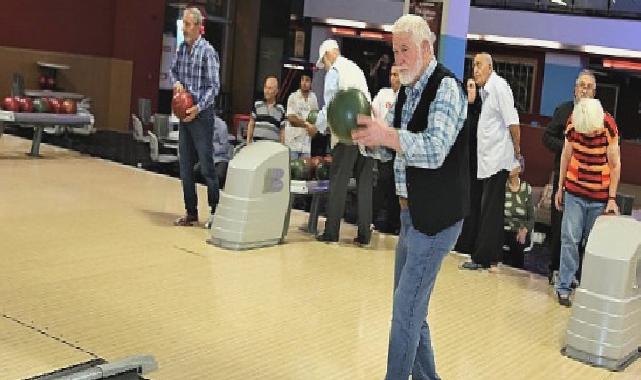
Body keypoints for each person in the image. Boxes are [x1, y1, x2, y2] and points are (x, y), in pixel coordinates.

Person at [354, 14, 468, 380]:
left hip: (436, 219)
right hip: (411, 216)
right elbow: (394, 150)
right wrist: (369, 140)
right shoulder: (407, 90)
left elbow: (434, 150)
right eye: (394, 51)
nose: (398, 58)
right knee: (411, 309)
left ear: (426, 47)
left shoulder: (447, 88)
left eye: (404, 50)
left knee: (405, 311)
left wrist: (386, 135)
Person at [554, 96, 621, 307]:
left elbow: (615, 165)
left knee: (592, 246)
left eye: (591, 132)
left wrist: (611, 199)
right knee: (569, 238)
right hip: (574, 190)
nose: (589, 135)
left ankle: (589, 290)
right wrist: (560, 187)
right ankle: (564, 286)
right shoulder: (573, 123)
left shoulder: (608, 126)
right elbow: (566, 155)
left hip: (599, 195)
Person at [461, 53, 521, 271]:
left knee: (488, 210)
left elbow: (513, 122)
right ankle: (493, 255)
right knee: (492, 211)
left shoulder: (498, 87)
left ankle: (481, 258)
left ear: (489, 67)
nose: (475, 69)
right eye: (473, 65)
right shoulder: (486, 92)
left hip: (498, 161)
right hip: (488, 161)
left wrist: (517, 152)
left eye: (478, 65)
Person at [313, 39, 374, 246]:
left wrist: (317, 126)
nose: (325, 67)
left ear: (329, 55)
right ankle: (365, 235)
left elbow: (331, 106)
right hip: (366, 131)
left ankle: (331, 232)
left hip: (346, 134)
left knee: (338, 182)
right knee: (364, 185)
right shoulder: (355, 67)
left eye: (324, 62)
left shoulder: (335, 71)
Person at [542, 70, 594, 284]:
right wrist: (566, 149)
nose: (584, 89)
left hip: (588, 183)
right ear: (574, 88)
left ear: (594, 92)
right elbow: (547, 137)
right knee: (560, 227)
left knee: (581, 232)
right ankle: (555, 269)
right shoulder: (564, 110)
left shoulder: (599, 116)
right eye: (581, 85)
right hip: (564, 177)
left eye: (588, 86)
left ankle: (575, 275)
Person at [170, 7, 220, 229]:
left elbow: (214, 87)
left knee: (207, 166)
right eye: (183, 24)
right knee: (185, 166)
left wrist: (198, 108)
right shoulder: (182, 49)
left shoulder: (207, 51)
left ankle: (216, 212)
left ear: (198, 27)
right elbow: (173, 72)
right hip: (185, 116)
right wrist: (176, 83)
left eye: (188, 24)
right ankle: (191, 212)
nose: (184, 28)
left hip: (201, 116)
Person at [371, 65, 402, 234]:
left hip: (398, 148)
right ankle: (372, 220)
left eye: (397, 75)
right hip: (382, 149)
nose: (393, 78)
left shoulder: (406, 96)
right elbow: (373, 111)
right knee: (381, 185)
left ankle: (393, 224)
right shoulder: (383, 94)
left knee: (394, 189)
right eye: (392, 74)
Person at [454, 78, 483, 255]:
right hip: (460, 165)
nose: (469, 90)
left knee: (473, 204)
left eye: (472, 87)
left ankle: (468, 243)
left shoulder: (481, 113)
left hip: (476, 166)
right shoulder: (459, 110)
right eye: (467, 87)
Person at [503, 164, 534, 269]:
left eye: (512, 165)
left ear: (520, 168)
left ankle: (516, 275)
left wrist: (525, 230)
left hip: (520, 230)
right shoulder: (502, 186)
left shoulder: (526, 188)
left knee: (517, 241)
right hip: (503, 228)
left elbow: (531, 218)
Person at [285, 70, 319, 160]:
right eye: (302, 80)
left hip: (306, 145)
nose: (304, 83)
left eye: (307, 80)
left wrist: (315, 129)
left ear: (311, 82)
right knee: (292, 172)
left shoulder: (313, 98)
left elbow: (315, 118)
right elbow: (291, 119)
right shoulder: (293, 97)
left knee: (304, 172)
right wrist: (307, 124)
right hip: (292, 144)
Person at [246, 75, 286, 143]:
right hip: (256, 145)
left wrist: (282, 146)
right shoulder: (257, 104)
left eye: (270, 88)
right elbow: (251, 124)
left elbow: (282, 130)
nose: (266, 91)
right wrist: (248, 142)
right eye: (265, 87)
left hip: (272, 148)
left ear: (276, 91)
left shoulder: (281, 109)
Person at [213, 115, 230, 189]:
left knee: (219, 176)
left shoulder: (221, 125)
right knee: (194, 173)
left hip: (220, 159)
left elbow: (224, 147)